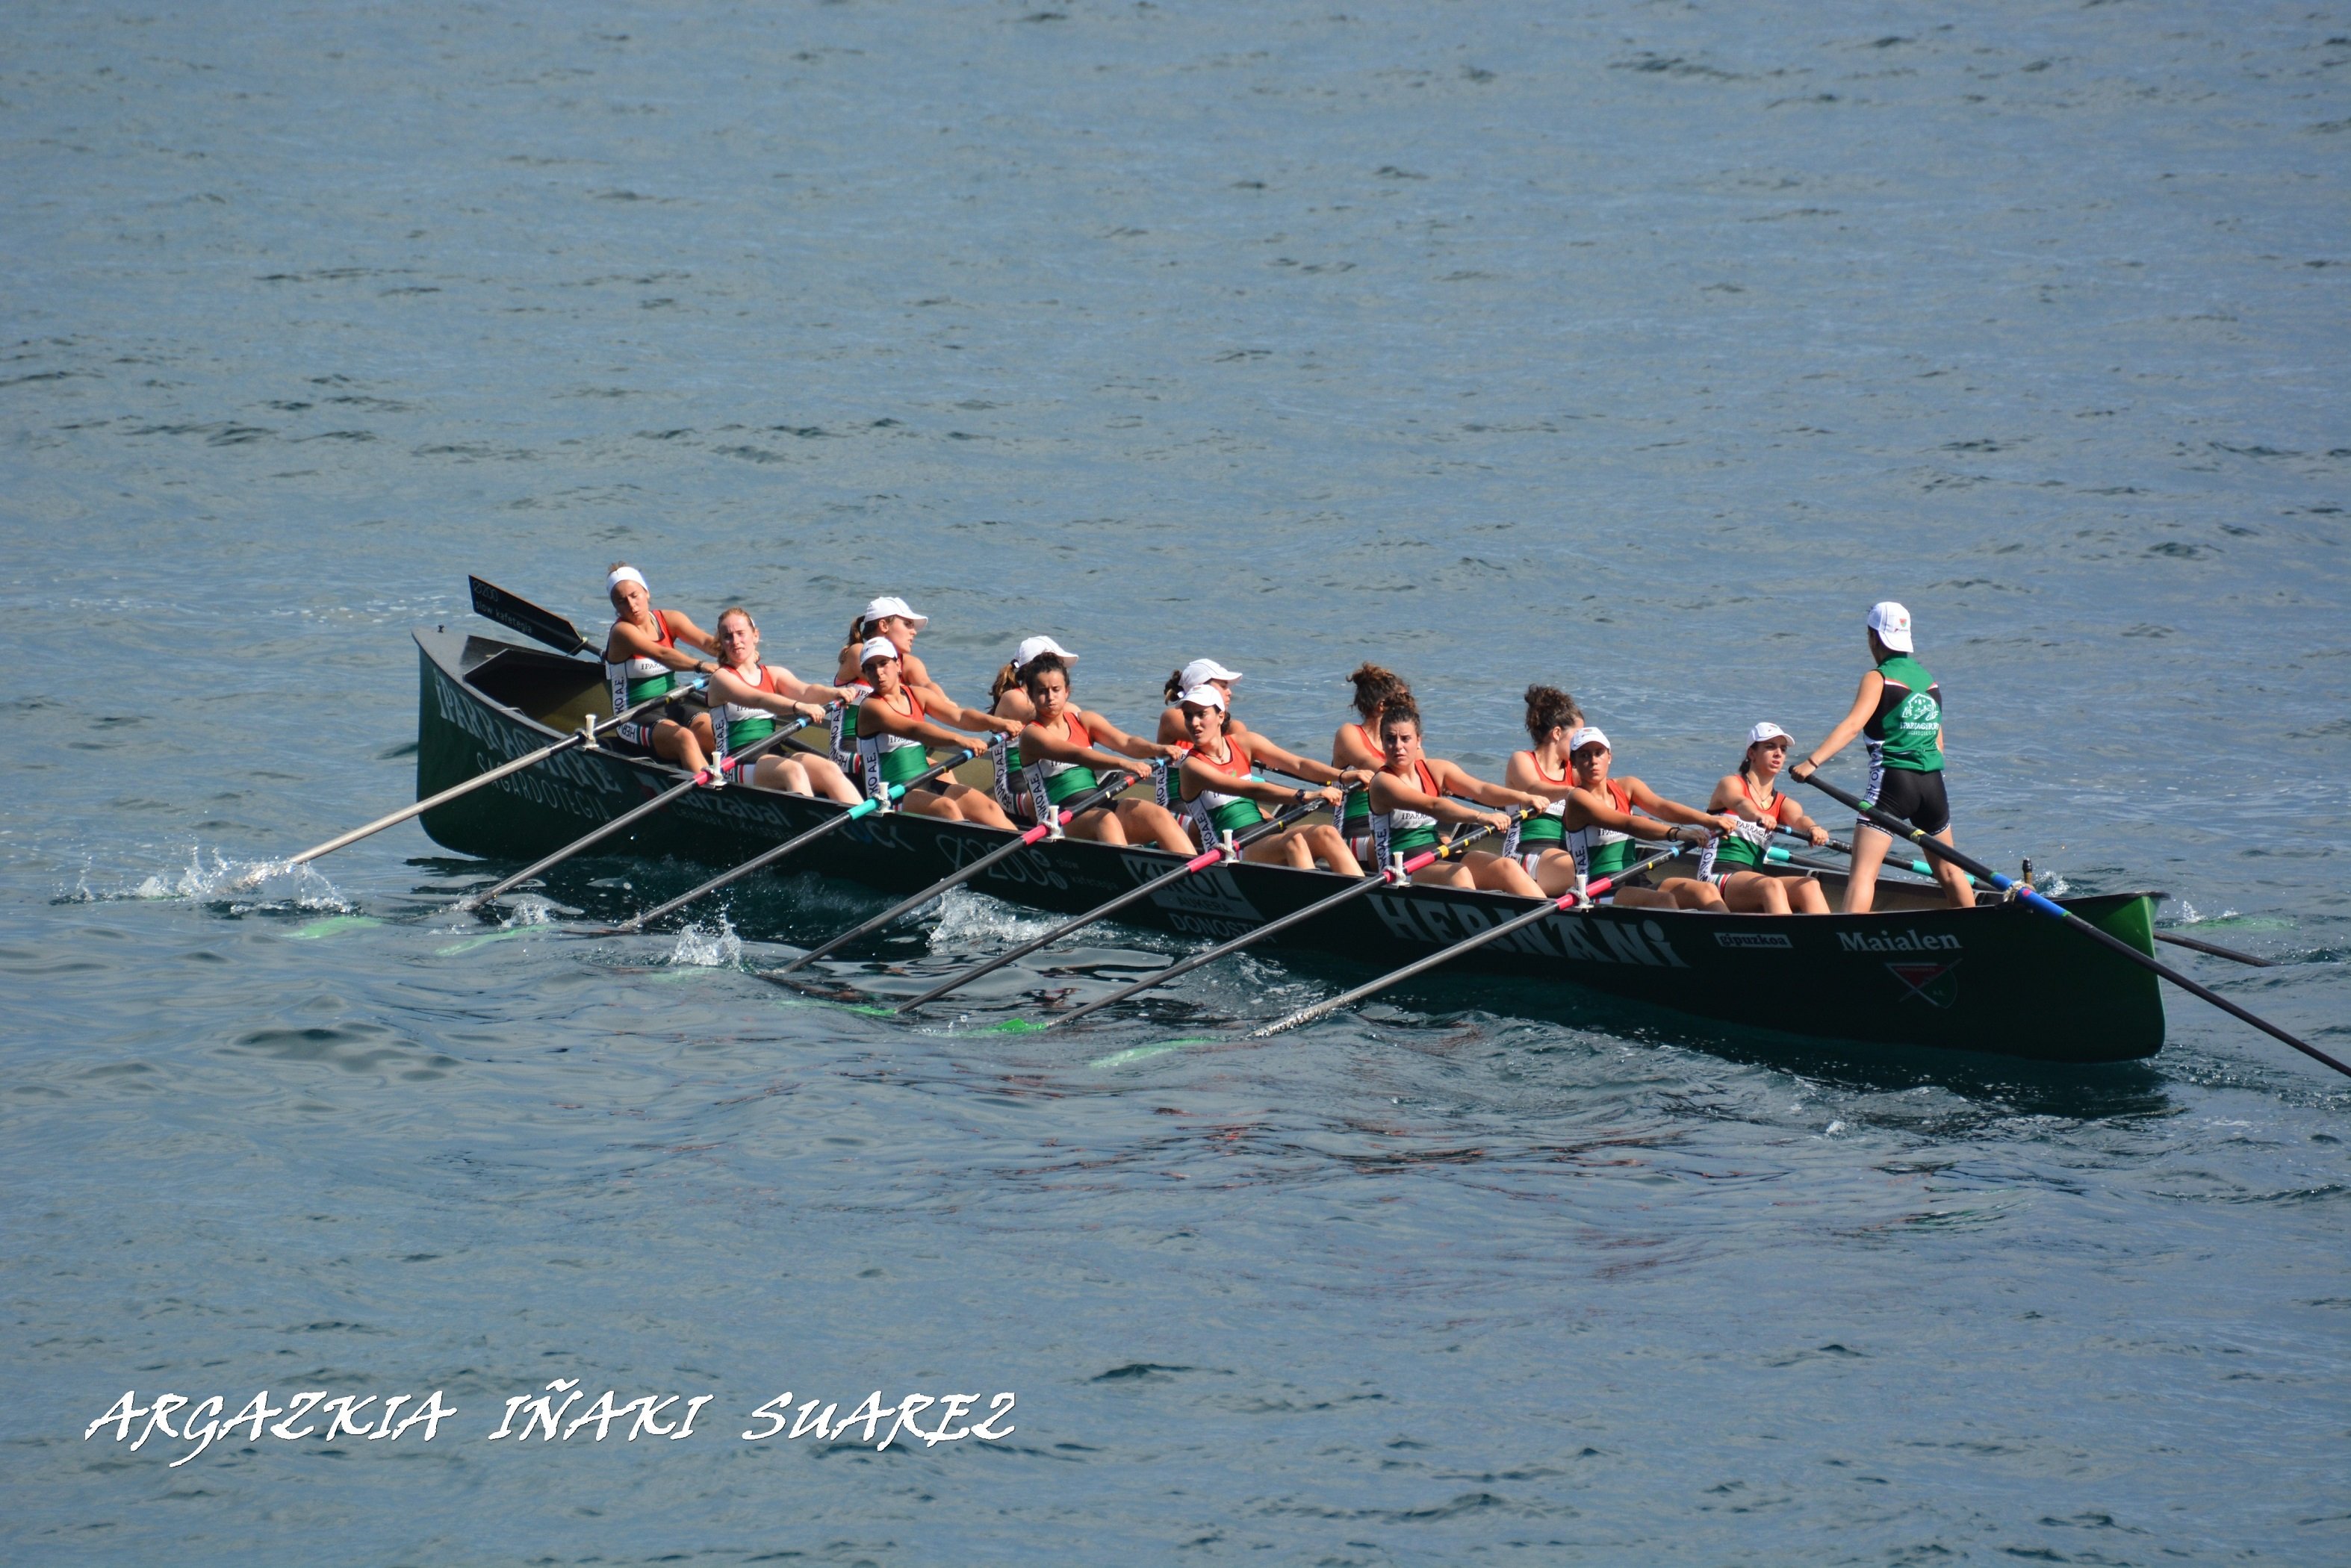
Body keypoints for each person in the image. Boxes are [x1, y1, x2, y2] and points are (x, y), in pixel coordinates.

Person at [1791, 601, 1975, 913]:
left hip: (1893, 783)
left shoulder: (1879, 678)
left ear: (1873, 637)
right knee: (1949, 871)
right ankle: (1977, 930)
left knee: (1863, 875)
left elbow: (1852, 726)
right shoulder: (1929, 681)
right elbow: (1938, 742)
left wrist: (1810, 764)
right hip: (1933, 786)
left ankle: (1849, 943)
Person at [1367, 693, 1552, 895]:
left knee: (1507, 867)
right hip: (1398, 868)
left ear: (1418, 741)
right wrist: (1481, 817)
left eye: (1405, 739)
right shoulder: (1383, 782)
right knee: (1459, 873)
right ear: (1382, 743)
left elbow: (1481, 789)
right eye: (1390, 739)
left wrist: (1524, 797)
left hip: (1436, 855)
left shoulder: (1436, 770)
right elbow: (1433, 806)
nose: (1398, 747)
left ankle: (1551, 923)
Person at [1176, 685, 1367, 874]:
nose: (1194, 723)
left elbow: (1298, 764)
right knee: (1294, 842)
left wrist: (1342, 775)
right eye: (1188, 716)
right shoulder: (1192, 767)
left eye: (1201, 714)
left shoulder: (1244, 743)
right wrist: (1305, 795)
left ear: (1221, 716)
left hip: (1263, 839)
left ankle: (1365, 900)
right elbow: (1250, 790)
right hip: (1229, 852)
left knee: (1327, 834)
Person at [1016, 653, 1193, 850]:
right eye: (1042, 691)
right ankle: (1124, 875)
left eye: (1056, 690)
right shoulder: (1032, 735)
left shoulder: (1084, 720)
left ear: (1067, 691)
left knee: (1157, 815)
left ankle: (1196, 876)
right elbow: (1077, 755)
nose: (1050, 697)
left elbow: (1126, 742)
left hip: (1095, 805)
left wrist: (1158, 749)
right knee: (1105, 820)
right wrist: (1123, 763)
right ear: (1030, 695)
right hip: (1057, 819)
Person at [1560, 727, 1737, 910]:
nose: (1593, 761)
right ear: (1573, 762)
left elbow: (1662, 807)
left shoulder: (1627, 786)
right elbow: (1629, 825)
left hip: (1635, 879)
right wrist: (1680, 834)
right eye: (1584, 755)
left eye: (1599, 753)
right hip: (1597, 889)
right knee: (1663, 901)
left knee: (1705, 891)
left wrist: (1708, 820)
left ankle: (1729, 937)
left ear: (1609, 757)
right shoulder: (1577, 799)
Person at [851, 638, 1021, 827]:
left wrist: (1000, 722)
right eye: (870, 668)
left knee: (988, 807)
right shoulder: (872, 708)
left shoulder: (916, 694)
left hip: (923, 783)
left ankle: (1026, 854)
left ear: (898, 664)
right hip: (887, 795)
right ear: (865, 674)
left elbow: (960, 716)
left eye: (884, 664)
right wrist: (960, 740)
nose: (878, 673)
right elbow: (915, 730)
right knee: (946, 808)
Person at [702, 607, 860, 802]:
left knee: (829, 769)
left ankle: (864, 828)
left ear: (755, 635)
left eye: (741, 634)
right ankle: (810, 824)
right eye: (728, 637)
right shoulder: (721, 678)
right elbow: (758, 699)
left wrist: (834, 692)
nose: (735, 641)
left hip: (772, 754)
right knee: (793, 771)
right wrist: (798, 707)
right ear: (722, 643)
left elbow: (806, 691)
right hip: (735, 761)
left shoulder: (773, 673)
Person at [600, 564, 724, 780]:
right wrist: (700, 666)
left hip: (672, 705)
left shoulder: (670, 619)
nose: (631, 604)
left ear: (646, 592)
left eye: (634, 595)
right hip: (631, 716)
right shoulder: (621, 632)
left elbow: (706, 642)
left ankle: (742, 784)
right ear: (616, 607)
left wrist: (735, 652)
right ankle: (713, 794)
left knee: (718, 733)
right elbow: (662, 654)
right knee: (684, 738)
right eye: (622, 601)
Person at [1701, 723, 1833, 914]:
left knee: (1809, 885)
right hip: (1717, 877)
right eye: (1770, 747)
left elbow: (1800, 820)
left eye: (1783, 749)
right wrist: (1758, 816)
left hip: (1753, 881)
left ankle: (1829, 940)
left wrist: (1813, 829)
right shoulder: (1730, 784)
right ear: (1752, 753)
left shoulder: (1784, 803)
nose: (1778, 753)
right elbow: (1740, 804)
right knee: (1771, 886)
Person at [1500, 683, 1588, 897]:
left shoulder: (1573, 771)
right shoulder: (1521, 760)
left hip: (1561, 854)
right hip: (1524, 852)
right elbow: (1533, 788)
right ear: (1557, 733)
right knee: (1576, 868)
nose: (1581, 746)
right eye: (1577, 737)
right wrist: (1573, 793)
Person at [1332, 662, 1410, 868]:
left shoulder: (1404, 741)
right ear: (1382, 706)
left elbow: (1425, 771)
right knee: (1396, 846)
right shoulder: (1348, 734)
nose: (1410, 708)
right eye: (1403, 702)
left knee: (1444, 842)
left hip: (1395, 826)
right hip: (1355, 835)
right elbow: (1367, 762)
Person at [1155, 658, 1252, 746]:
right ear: (1202, 688)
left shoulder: (1232, 727)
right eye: (1223, 686)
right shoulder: (1173, 716)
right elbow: (1209, 736)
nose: (1229, 692)